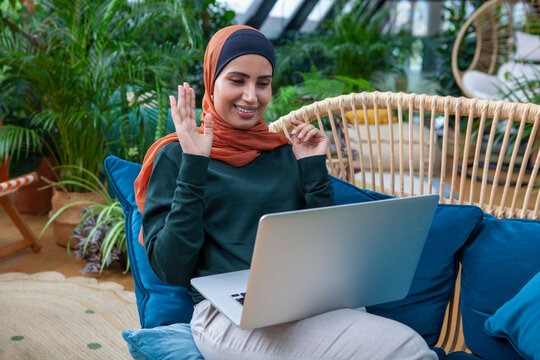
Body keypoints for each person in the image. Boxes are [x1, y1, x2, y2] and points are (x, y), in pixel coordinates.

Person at [135, 25, 437, 360]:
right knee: (406, 350)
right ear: (211, 81)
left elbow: (323, 251)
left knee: (401, 348)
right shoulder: (177, 155)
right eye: (237, 80)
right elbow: (171, 268)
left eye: (262, 83)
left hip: (301, 302)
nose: (252, 96)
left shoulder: (283, 153)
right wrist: (195, 163)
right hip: (223, 317)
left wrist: (312, 169)